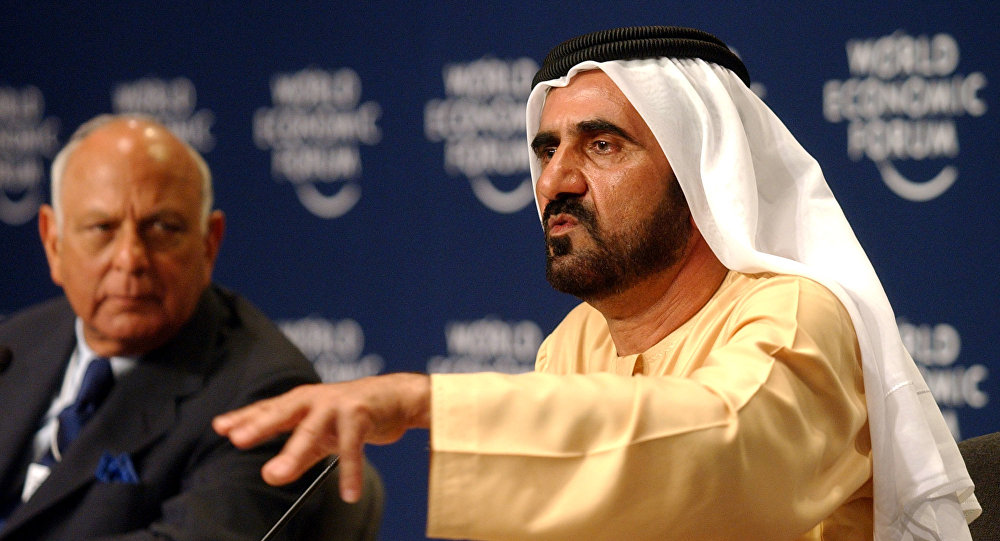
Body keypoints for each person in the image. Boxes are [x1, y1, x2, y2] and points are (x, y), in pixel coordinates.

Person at [214, 26, 980, 540]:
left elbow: (721, 447)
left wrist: (426, 402)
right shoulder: (573, 343)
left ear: (701, 173)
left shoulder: (797, 312)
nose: (557, 180)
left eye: (602, 145)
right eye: (547, 150)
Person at [0, 115, 380, 540]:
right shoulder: (15, 345)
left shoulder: (264, 391)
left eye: (162, 228)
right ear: (53, 243)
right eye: (102, 228)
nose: (130, 258)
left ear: (208, 243)